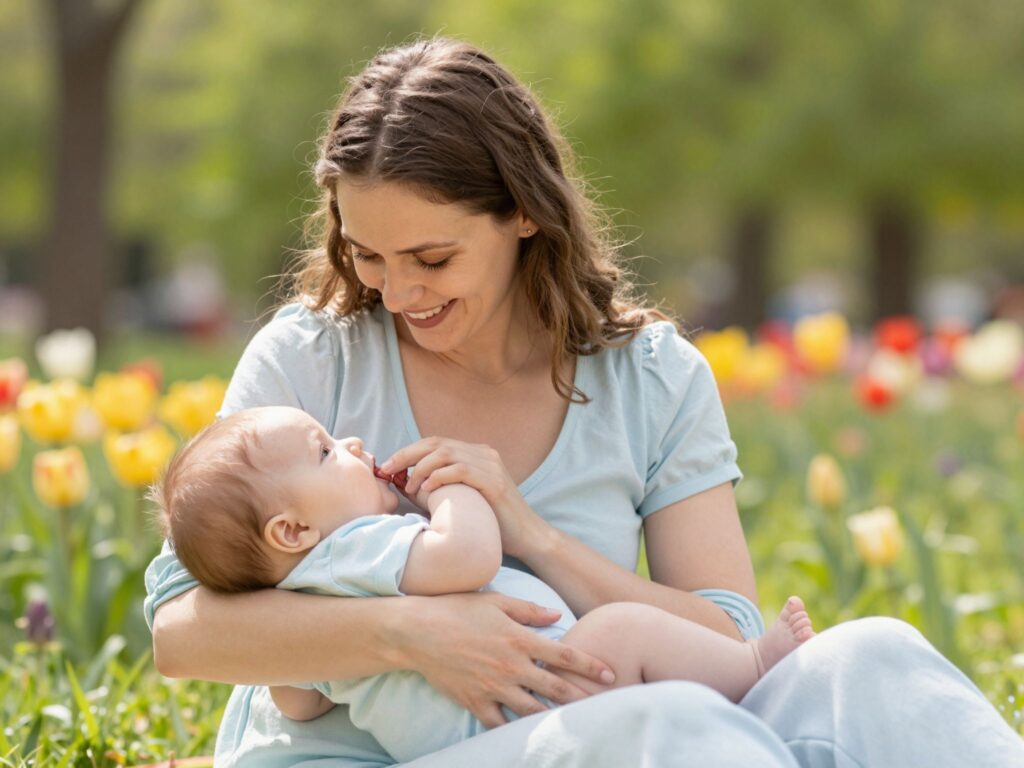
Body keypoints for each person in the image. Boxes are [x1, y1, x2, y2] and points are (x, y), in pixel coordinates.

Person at [144, 37, 1024, 767]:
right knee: (672, 729)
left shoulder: (651, 376)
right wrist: (409, 635)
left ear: (524, 213)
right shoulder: (311, 358)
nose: (398, 290)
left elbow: (725, 636)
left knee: (877, 656)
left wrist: (532, 535)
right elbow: (184, 632)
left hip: (604, 723)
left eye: (433, 259)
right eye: (367, 255)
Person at [151, 404, 815, 763]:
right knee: (619, 633)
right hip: (520, 710)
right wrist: (454, 492)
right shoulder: (358, 548)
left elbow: (299, 704)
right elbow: (465, 559)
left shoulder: (301, 594)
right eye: (326, 452)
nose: (351, 444)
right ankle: (756, 669)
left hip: (482, 733)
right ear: (292, 532)